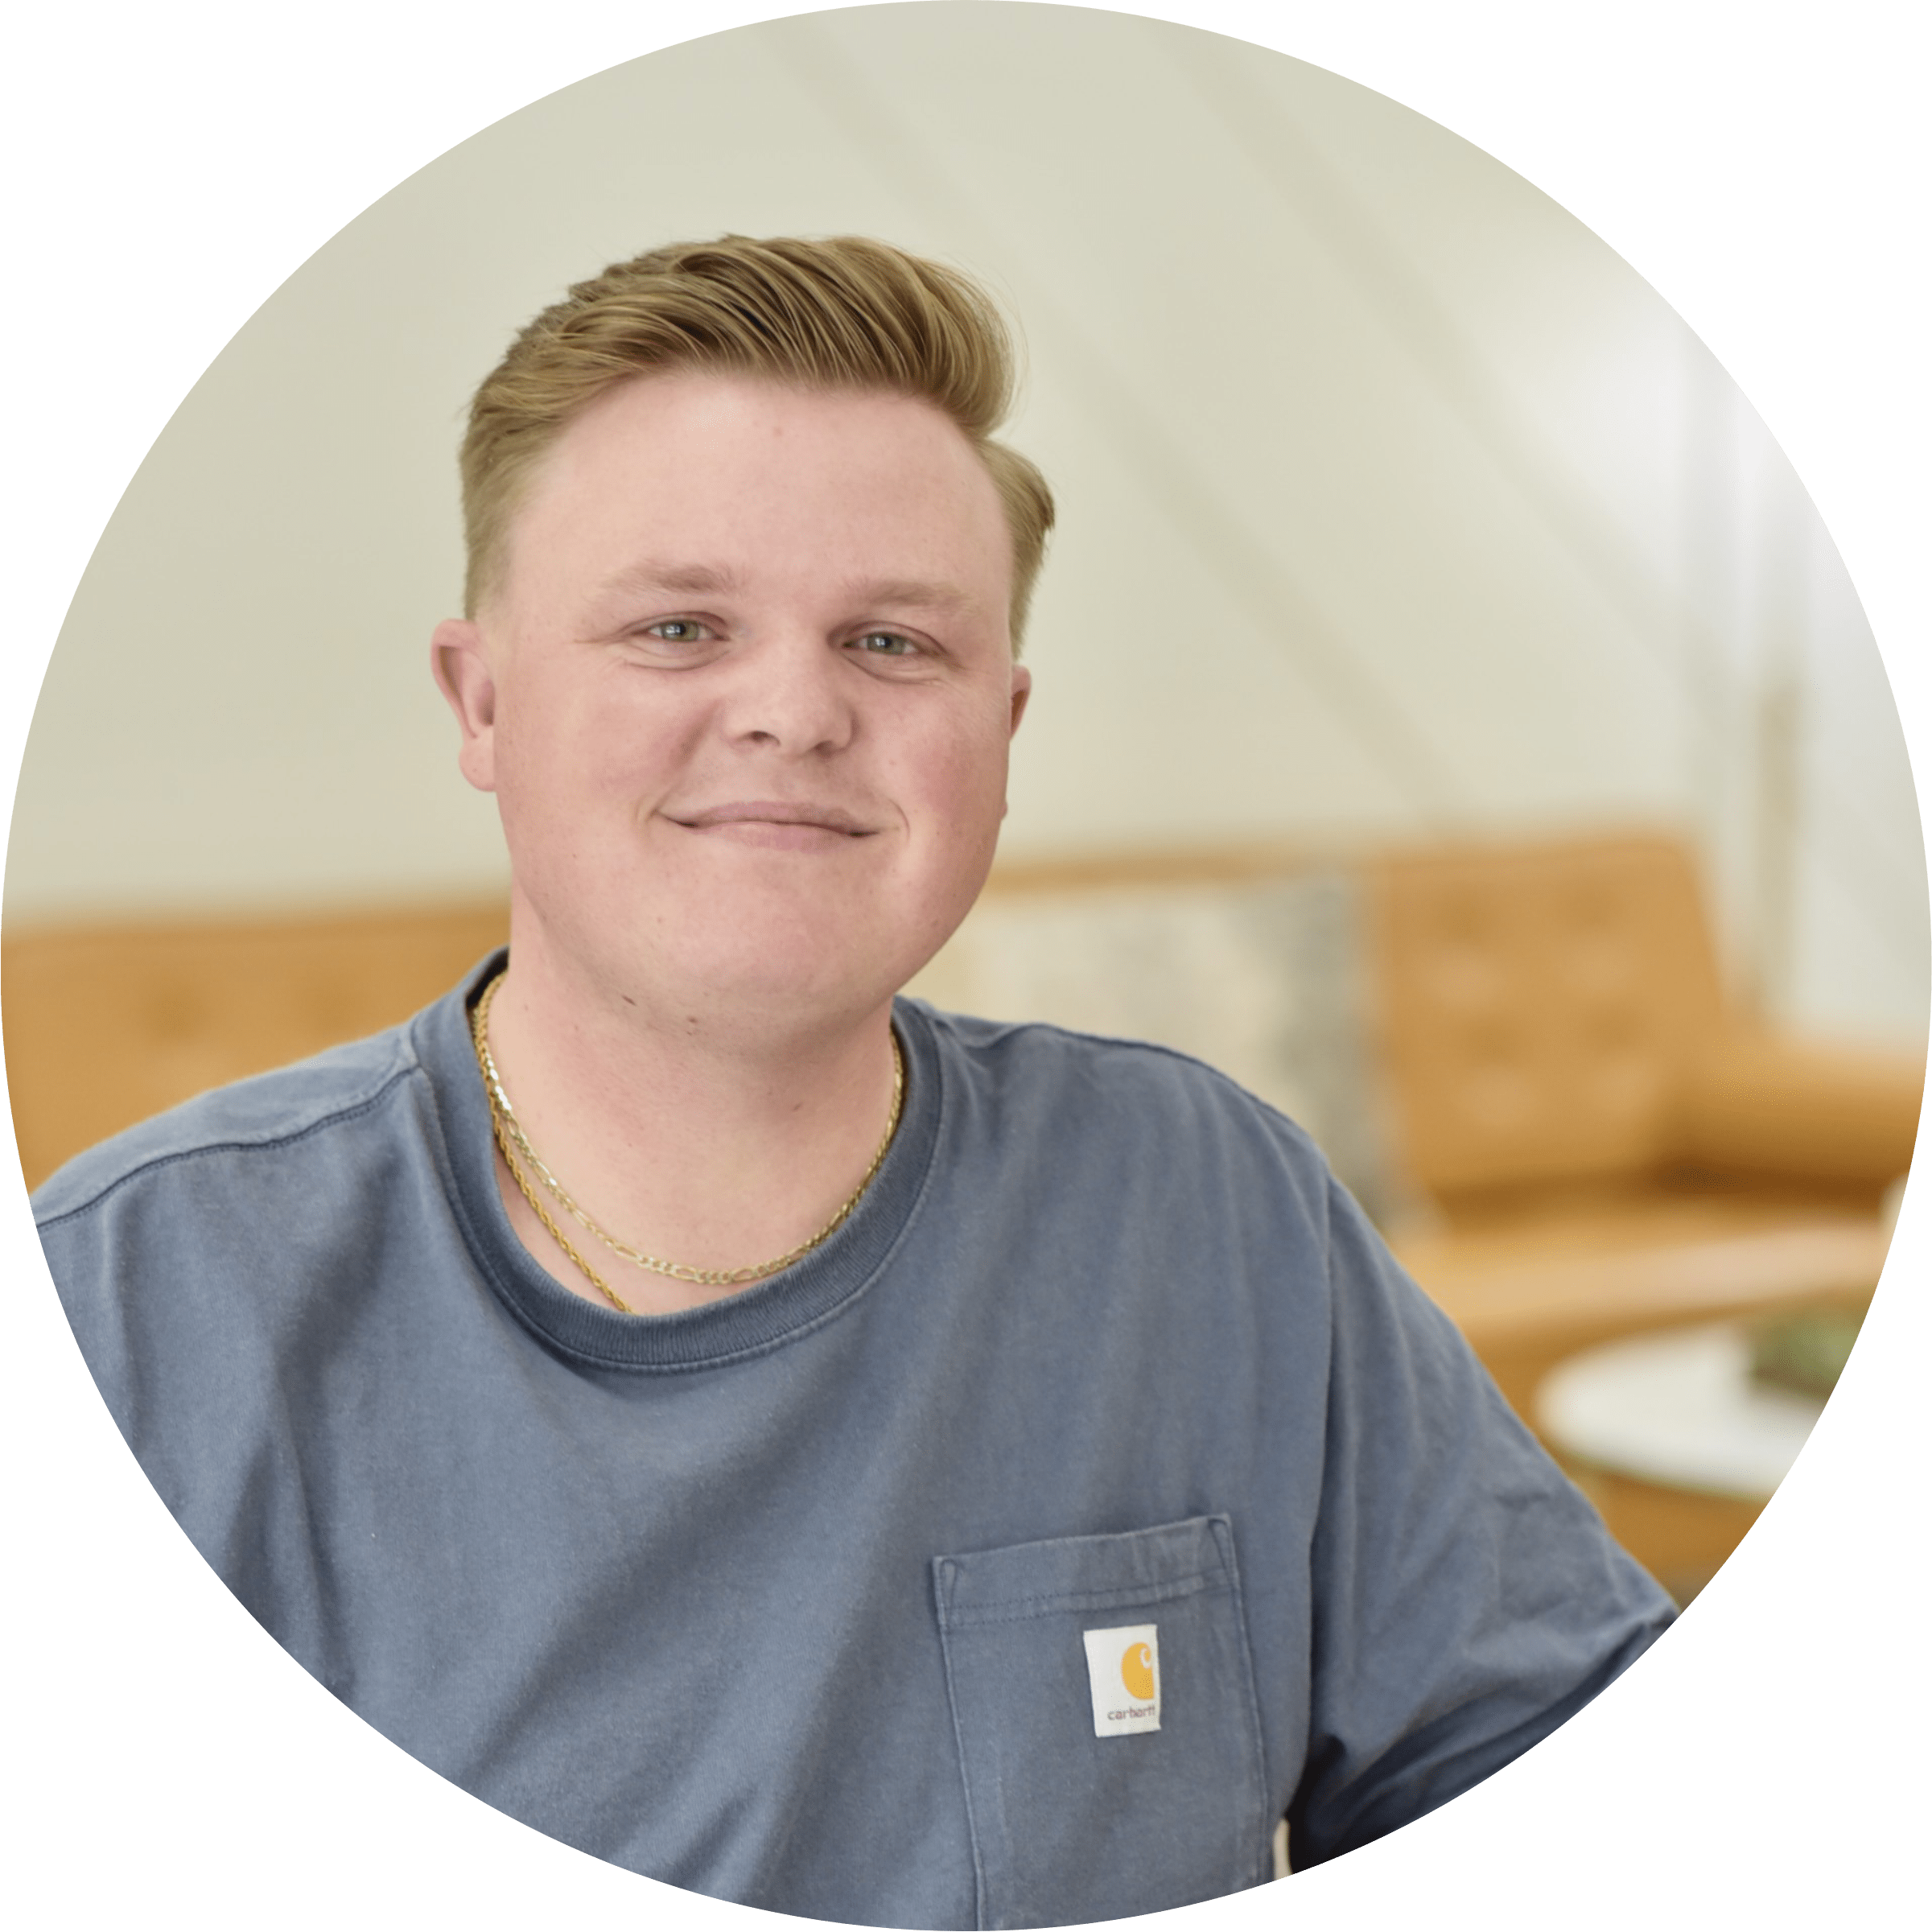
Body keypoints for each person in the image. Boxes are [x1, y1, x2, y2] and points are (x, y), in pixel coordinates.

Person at [36, 235, 1673, 1930]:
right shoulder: (135, 1303)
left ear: (1004, 729)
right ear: (482, 701)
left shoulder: (1210, 1209)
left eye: (894, 644)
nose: (795, 713)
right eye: (679, 626)